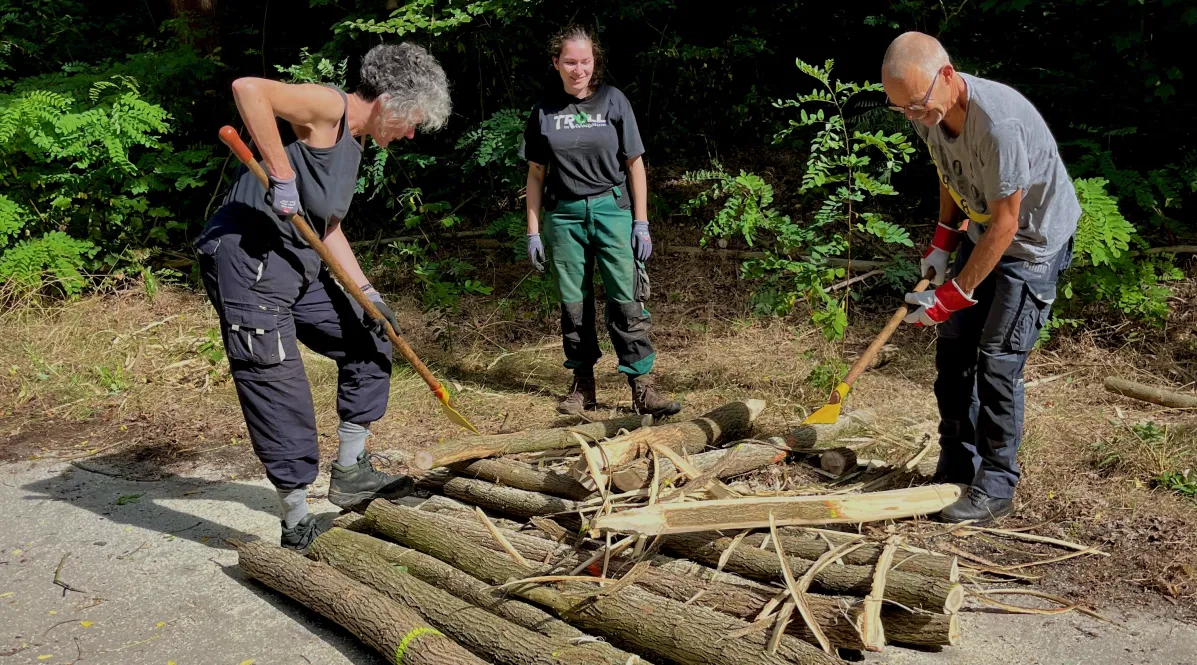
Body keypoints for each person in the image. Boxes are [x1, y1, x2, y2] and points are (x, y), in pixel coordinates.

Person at [194, 43, 452, 550]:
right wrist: (281, 174)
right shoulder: (332, 109)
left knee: (371, 334)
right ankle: (296, 525)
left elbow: (327, 227)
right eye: (412, 121)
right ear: (389, 102)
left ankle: (352, 473)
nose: (410, 133)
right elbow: (249, 90)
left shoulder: (352, 145)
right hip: (249, 259)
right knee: (277, 384)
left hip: (296, 263)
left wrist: (368, 293)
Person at [881, 32, 1078, 524]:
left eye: (918, 105)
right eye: (901, 109)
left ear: (948, 75)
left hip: (1029, 243)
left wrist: (954, 293)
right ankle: (957, 463)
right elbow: (949, 173)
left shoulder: (999, 126)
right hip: (984, 230)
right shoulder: (928, 111)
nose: (913, 116)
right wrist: (943, 239)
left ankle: (996, 485)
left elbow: (1007, 223)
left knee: (997, 360)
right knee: (953, 351)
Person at [519, 25, 681, 418]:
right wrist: (533, 232)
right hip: (564, 216)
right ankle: (582, 386)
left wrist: (641, 223)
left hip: (612, 211)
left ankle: (642, 386)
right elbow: (536, 175)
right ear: (556, 63)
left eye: (586, 61)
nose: (579, 69)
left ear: (595, 62)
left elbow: (635, 164)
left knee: (627, 299)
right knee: (574, 304)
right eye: (570, 62)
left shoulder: (614, 101)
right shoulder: (544, 110)